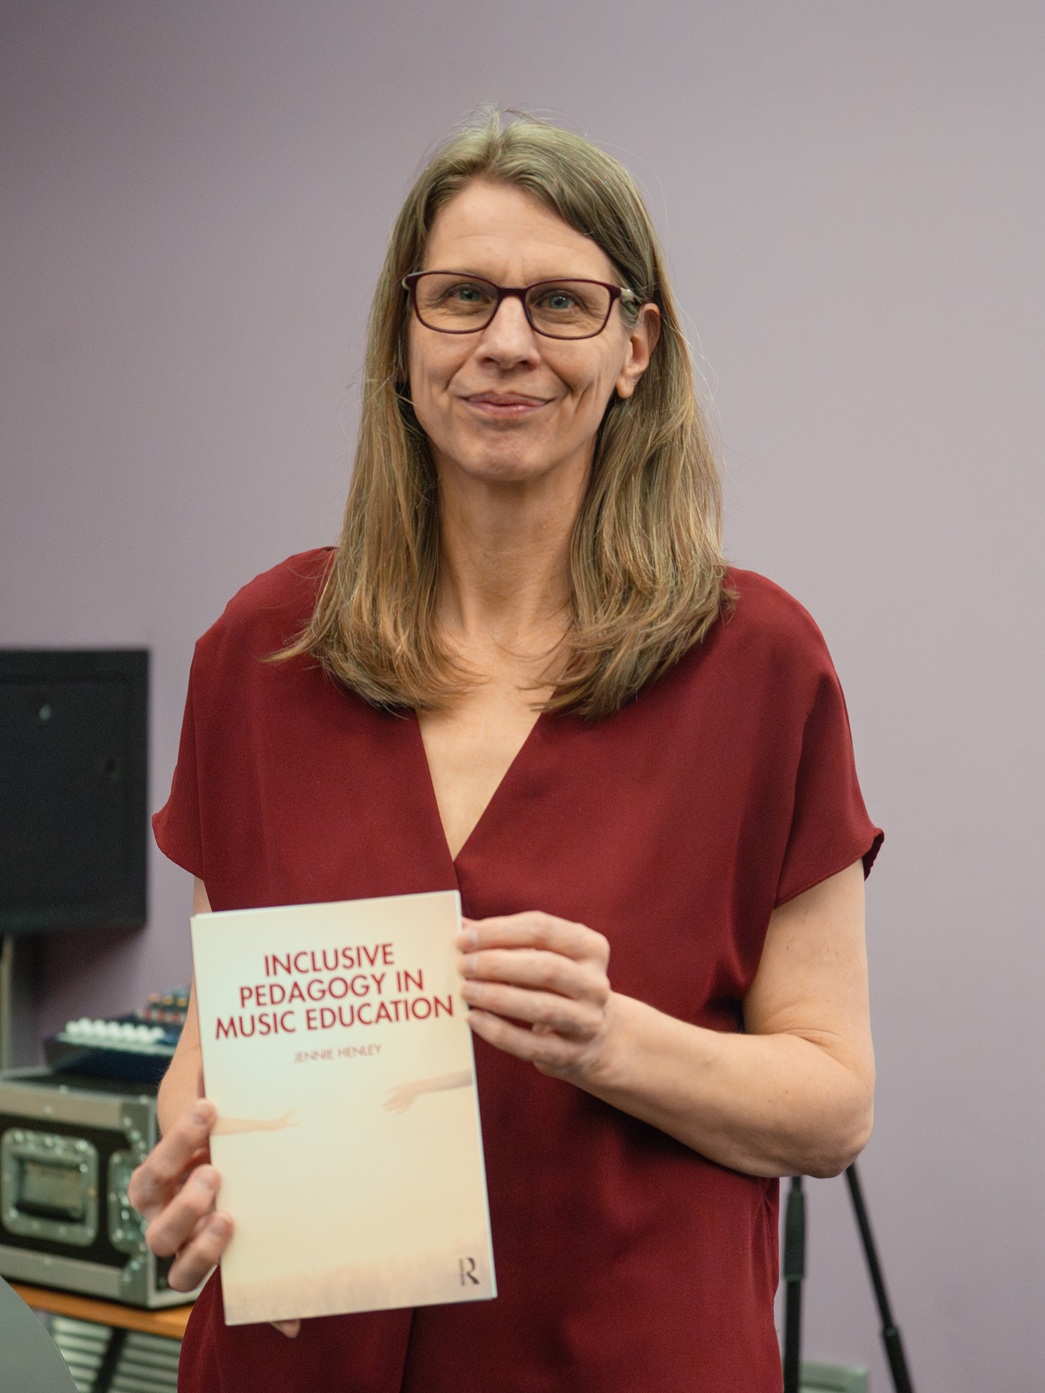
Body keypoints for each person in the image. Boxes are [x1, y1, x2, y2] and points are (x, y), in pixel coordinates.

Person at [128, 112, 881, 1393]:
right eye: (463, 297)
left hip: (623, 1359)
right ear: (404, 337)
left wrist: (610, 1040)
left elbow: (830, 1104)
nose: (508, 343)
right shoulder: (263, 654)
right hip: (302, 1360)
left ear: (636, 346)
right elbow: (217, 1040)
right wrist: (194, 1166)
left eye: (563, 303)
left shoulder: (759, 664)